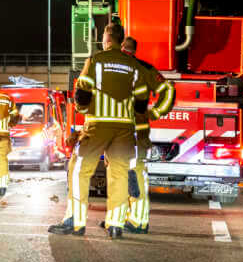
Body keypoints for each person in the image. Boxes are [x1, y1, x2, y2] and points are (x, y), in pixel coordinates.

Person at [48, 23, 149, 239]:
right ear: (122, 41)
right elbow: (142, 100)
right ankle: (115, 225)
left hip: (98, 124)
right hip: (124, 127)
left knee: (79, 169)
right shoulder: (133, 65)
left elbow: (82, 91)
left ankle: (76, 221)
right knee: (120, 173)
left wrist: (83, 110)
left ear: (106, 38)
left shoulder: (96, 60)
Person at [120, 36, 175, 233]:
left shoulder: (131, 69)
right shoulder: (144, 69)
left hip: (130, 134)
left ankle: (138, 221)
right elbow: (168, 91)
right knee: (128, 177)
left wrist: (154, 113)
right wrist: (154, 113)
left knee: (135, 176)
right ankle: (126, 218)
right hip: (132, 133)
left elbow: (168, 90)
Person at [0, 77, 18, 196]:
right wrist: (9, 123)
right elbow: (15, 114)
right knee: (2, 159)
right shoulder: (8, 97)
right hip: (4, 132)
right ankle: (3, 186)